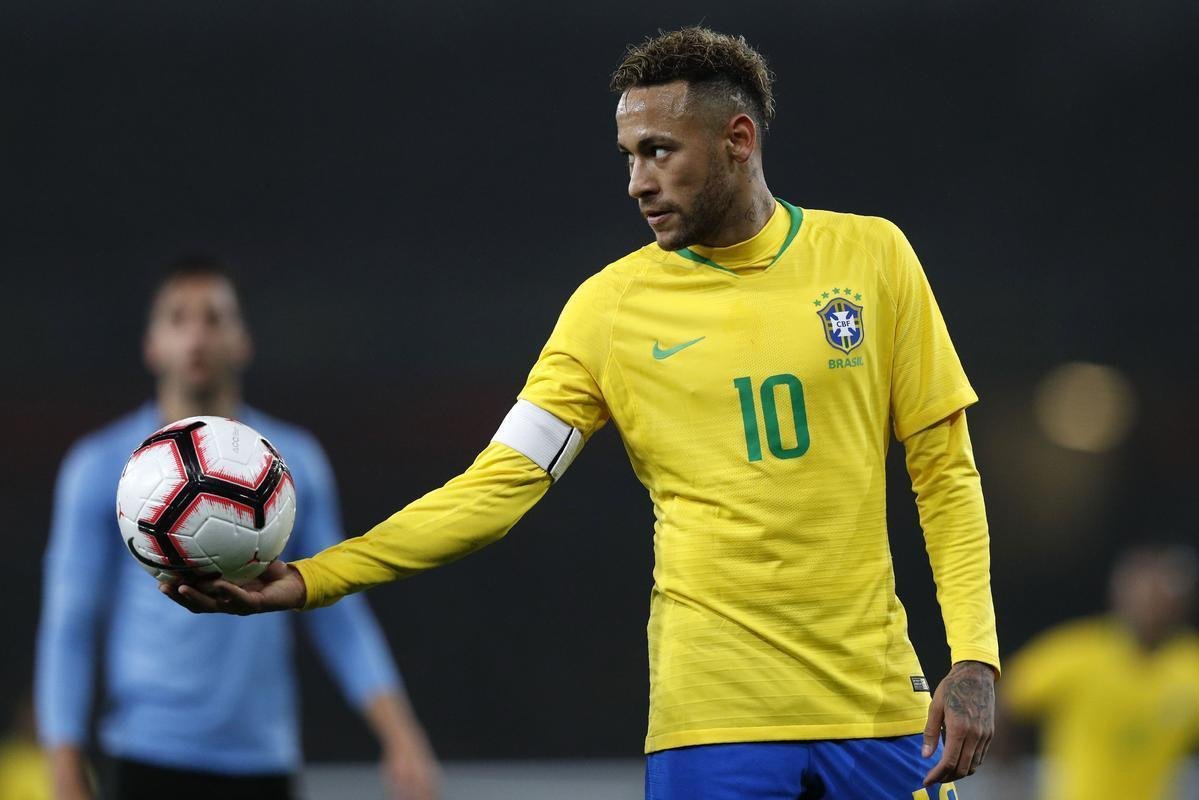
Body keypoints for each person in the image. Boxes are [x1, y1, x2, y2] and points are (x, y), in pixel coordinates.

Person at [168, 28, 1000, 799]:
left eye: (658, 152)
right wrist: (317, 575)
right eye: (629, 155)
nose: (636, 180)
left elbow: (944, 474)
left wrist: (973, 657)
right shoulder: (607, 311)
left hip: (882, 709)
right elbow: (495, 488)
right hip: (714, 725)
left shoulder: (872, 258)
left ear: (737, 141)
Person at [36, 258, 440, 800]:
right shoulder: (100, 466)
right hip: (145, 753)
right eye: (178, 319)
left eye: (214, 318)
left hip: (262, 756)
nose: (197, 336)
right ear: (152, 344)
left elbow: (337, 607)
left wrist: (400, 733)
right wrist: (63, 763)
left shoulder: (292, 462)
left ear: (243, 340)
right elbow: (71, 623)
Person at [1002, 543, 1199, 800]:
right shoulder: (1079, 652)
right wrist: (1009, 775)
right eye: (1142, 591)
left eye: (1159, 593)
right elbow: (1006, 701)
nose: (1150, 603)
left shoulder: (1189, 665)